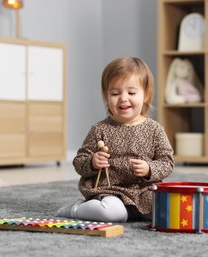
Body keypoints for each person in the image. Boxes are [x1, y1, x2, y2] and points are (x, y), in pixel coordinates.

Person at [56, 57, 174, 222]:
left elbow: (167, 162)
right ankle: (76, 209)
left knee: (170, 211)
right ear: (106, 96)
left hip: (143, 192)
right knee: (113, 213)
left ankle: (133, 212)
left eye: (131, 93)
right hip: (110, 191)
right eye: (115, 93)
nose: (123, 98)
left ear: (146, 95)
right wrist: (92, 162)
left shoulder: (155, 129)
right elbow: (79, 161)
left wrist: (149, 168)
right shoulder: (100, 129)